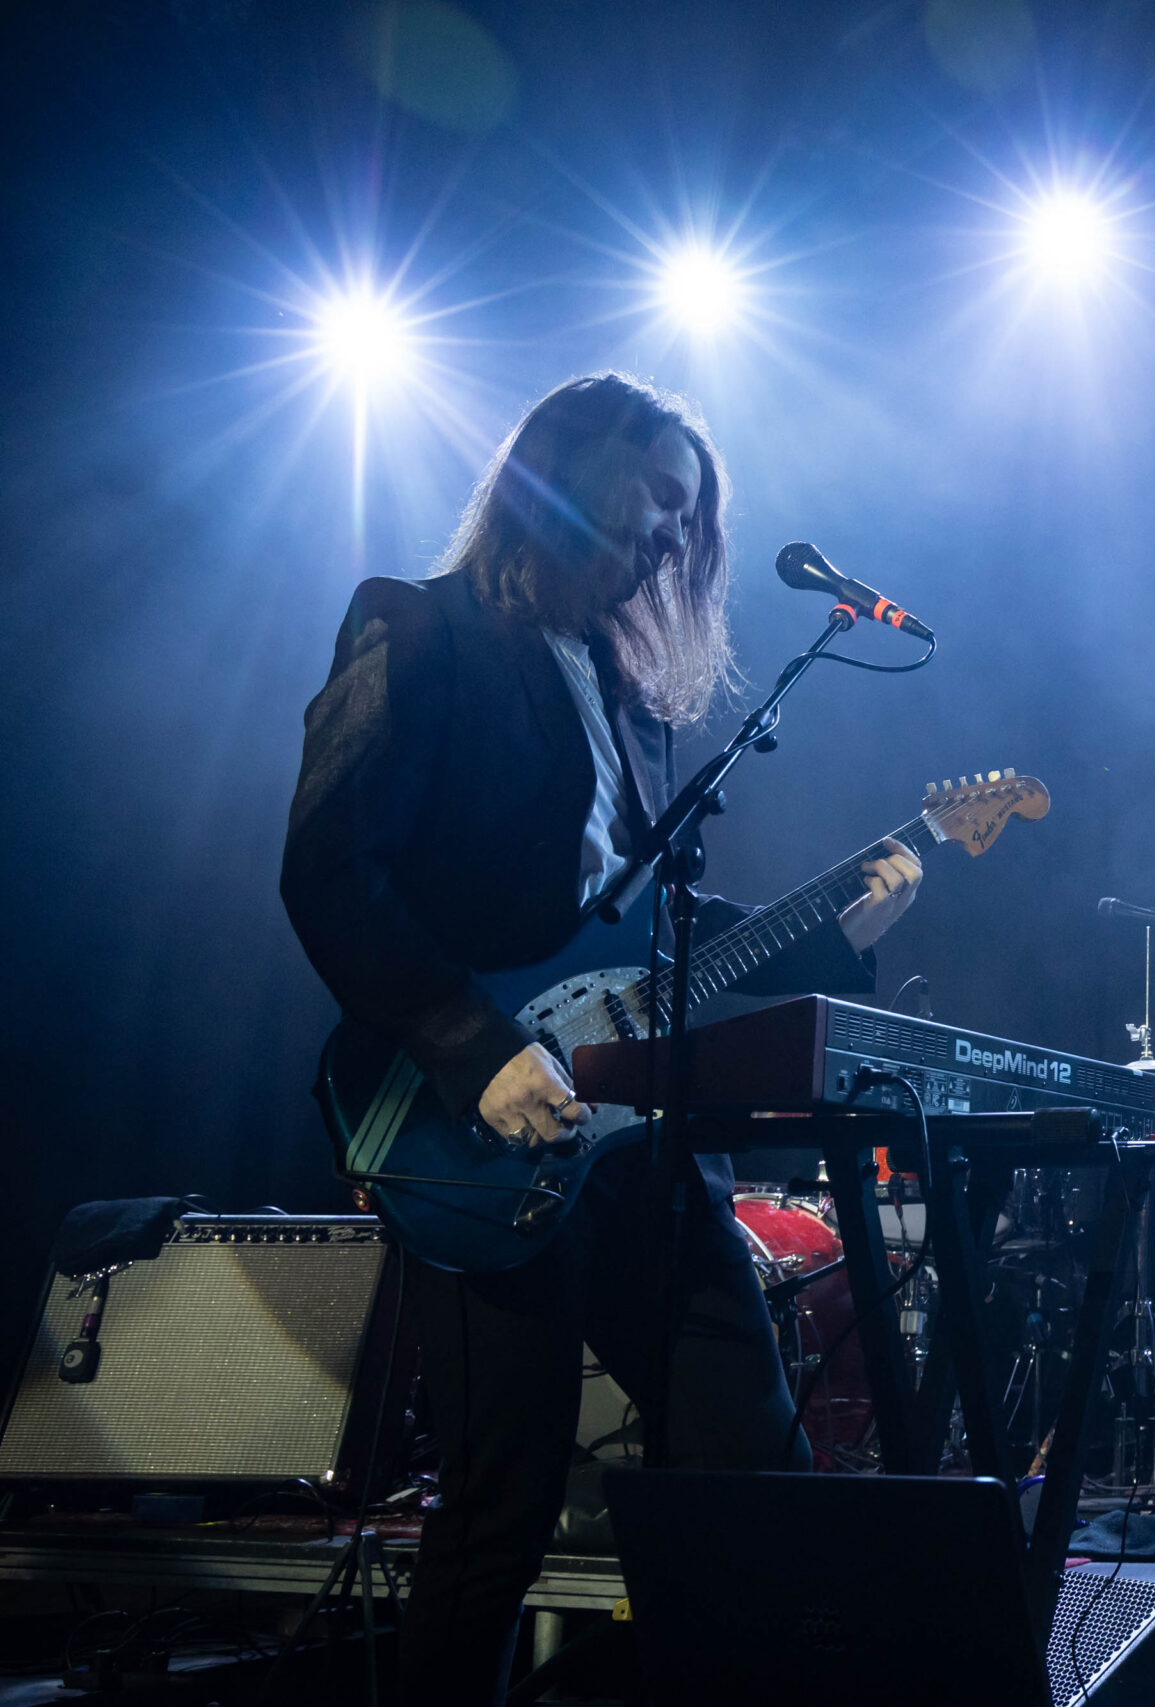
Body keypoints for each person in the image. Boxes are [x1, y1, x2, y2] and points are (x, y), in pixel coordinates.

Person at [280, 372, 923, 1705]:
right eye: (659, 505)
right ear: (569, 472)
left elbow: (637, 932)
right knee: (499, 1509)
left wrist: (840, 925)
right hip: (466, 1122)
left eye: (690, 522)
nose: (671, 544)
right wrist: (477, 1049)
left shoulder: (621, 692)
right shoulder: (413, 627)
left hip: (636, 1132)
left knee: (757, 1461)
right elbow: (331, 867)